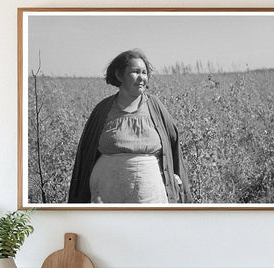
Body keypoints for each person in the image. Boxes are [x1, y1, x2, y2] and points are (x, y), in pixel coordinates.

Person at [68, 49, 191, 204]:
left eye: (144, 73)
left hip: (149, 196)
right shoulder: (102, 110)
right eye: (135, 72)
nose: (141, 78)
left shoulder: (155, 106)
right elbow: (86, 153)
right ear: (119, 75)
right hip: (105, 195)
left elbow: (172, 144)